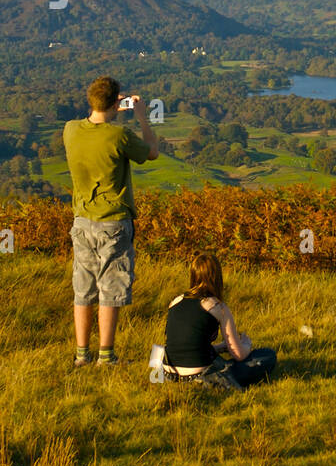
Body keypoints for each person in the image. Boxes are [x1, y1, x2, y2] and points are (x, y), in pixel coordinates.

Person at [63, 75, 159, 367]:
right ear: (118, 102)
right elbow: (152, 152)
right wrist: (142, 118)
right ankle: (106, 355)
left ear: (91, 100)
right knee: (111, 287)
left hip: (82, 220)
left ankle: (82, 355)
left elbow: (94, 124)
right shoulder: (119, 136)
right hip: (114, 222)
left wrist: (112, 109)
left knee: (84, 287)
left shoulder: (70, 130)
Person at [162, 253, 277, 390]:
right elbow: (239, 355)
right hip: (200, 375)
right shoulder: (217, 307)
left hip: (168, 374)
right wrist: (246, 345)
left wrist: (220, 347)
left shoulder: (176, 301)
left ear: (193, 275)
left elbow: (185, 344)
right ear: (217, 277)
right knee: (266, 355)